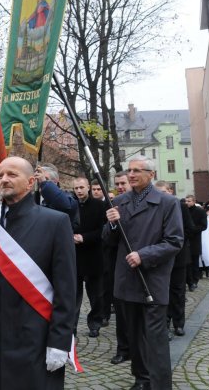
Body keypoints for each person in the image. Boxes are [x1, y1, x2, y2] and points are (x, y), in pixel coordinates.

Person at [0, 156, 76, 389]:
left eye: (12, 174)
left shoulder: (56, 222)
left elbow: (66, 288)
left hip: (37, 334)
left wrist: (60, 341)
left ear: (31, 182)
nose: (4, 179)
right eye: (0, 175)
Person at [103, 155, 183, 390]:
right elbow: (107, 240)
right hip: (127, 279)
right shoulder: (120, 201)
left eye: (138, 170)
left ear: (152, 175)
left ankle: (159, 384)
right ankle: (141, 379)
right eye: (130, 170)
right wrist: (112, 224)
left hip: (152, 279)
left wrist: (144, 255)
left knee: (155, 338)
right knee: (134, 335)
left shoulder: (168, 203)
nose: (132, 174)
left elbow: (174, 241)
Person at [154, 181, 194, 338]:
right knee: (162, 291)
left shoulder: (180, 205)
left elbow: (189, 229)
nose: (161, 196)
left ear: (170, 191)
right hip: (160, 257)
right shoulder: (155, 207)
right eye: (158, 193)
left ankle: (178, 323)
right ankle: (164, 323)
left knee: (177, 292)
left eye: (163, 192)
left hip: (178, 257)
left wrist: (175, 241)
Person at [72, 177, 107, 338]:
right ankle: (71, 326)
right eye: (76, 188)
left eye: (81, 187)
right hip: (75, 257)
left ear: (88, 188)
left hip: (93, 256)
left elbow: (103, 231)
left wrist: (84, 238)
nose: (79, 191)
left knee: (96, 295)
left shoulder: (100, 206)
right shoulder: (71, 205)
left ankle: (95, 323)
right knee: (74, 296)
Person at [105, 170, 132, 366]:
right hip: (119, 266)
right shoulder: (115, 205)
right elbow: (107, 238)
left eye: (123, 183)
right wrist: (113, 224)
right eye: (117, 184)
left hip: (142, 263)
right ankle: (123, 349)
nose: (120, 187)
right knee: (122, 313)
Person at [34, 163, 80, 231]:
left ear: (55, 181)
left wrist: (44, 183)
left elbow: (66, 206)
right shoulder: (32, 198)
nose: (40, 181)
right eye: (38, 179)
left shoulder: (67, 197)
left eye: (46, 179)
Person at [185, 195, 208, 290]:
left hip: (195, 240)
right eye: (186, 201)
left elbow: (204, 226)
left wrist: (193, 230)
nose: (187, 203)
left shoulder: (200, 211)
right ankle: (189, 281)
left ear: (194, 201)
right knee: (187, 263)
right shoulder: (184, 210)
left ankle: (194, 281)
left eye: (189, 201)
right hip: (185, 240)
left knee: (194, 262)